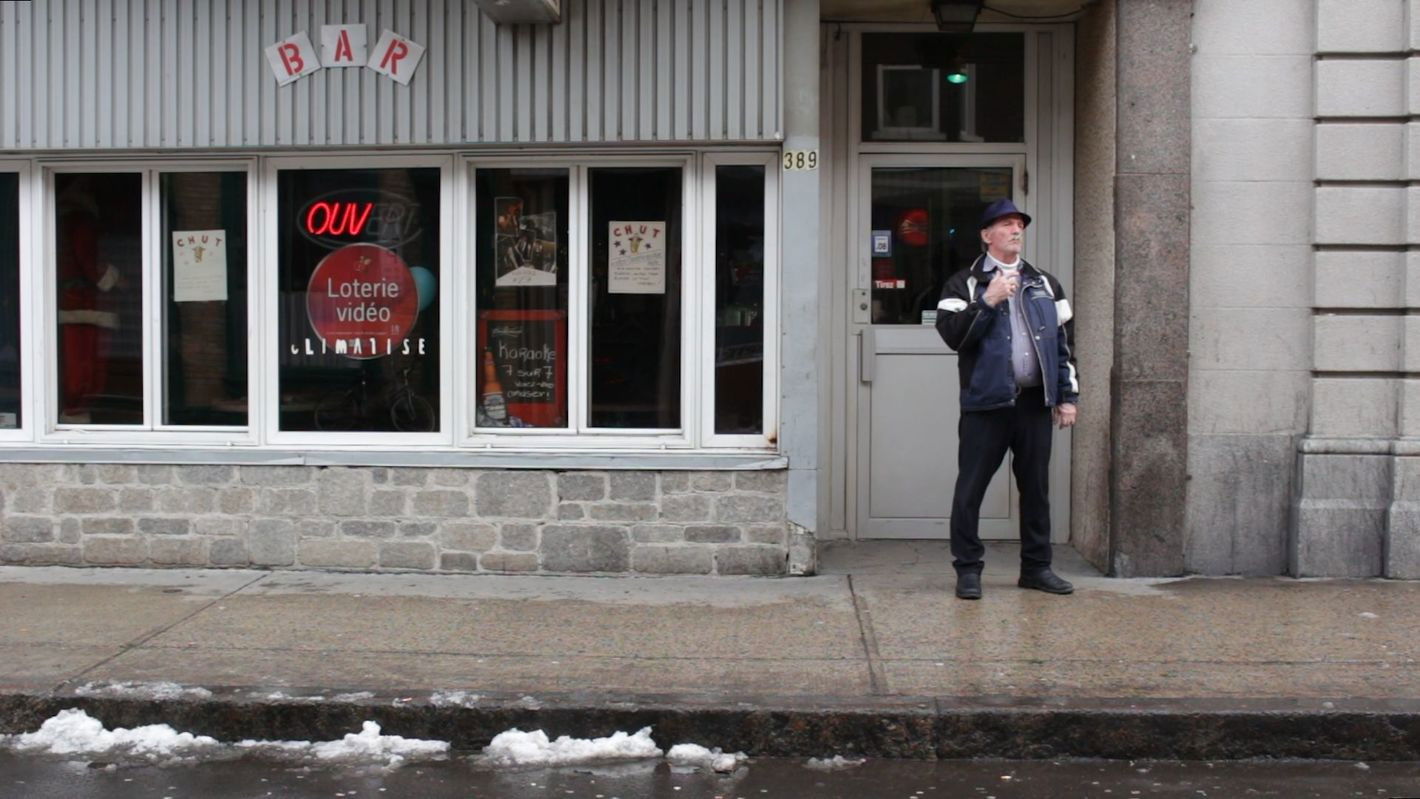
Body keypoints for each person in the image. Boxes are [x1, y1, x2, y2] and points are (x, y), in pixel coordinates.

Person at [934, 198, 1078, 600]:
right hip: (986, 405)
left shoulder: (1044, 283)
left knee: (1036, 490)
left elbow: (1064, 345)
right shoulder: (964, 282)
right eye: (1007, 224)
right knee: (970, 490)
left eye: (1020, 224)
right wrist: (989, 300)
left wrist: (1067, 397)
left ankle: (1036, 568)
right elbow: (952, 336)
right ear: (986, 235)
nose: (1017, 230)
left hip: (1034, 404)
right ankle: (967, 570)